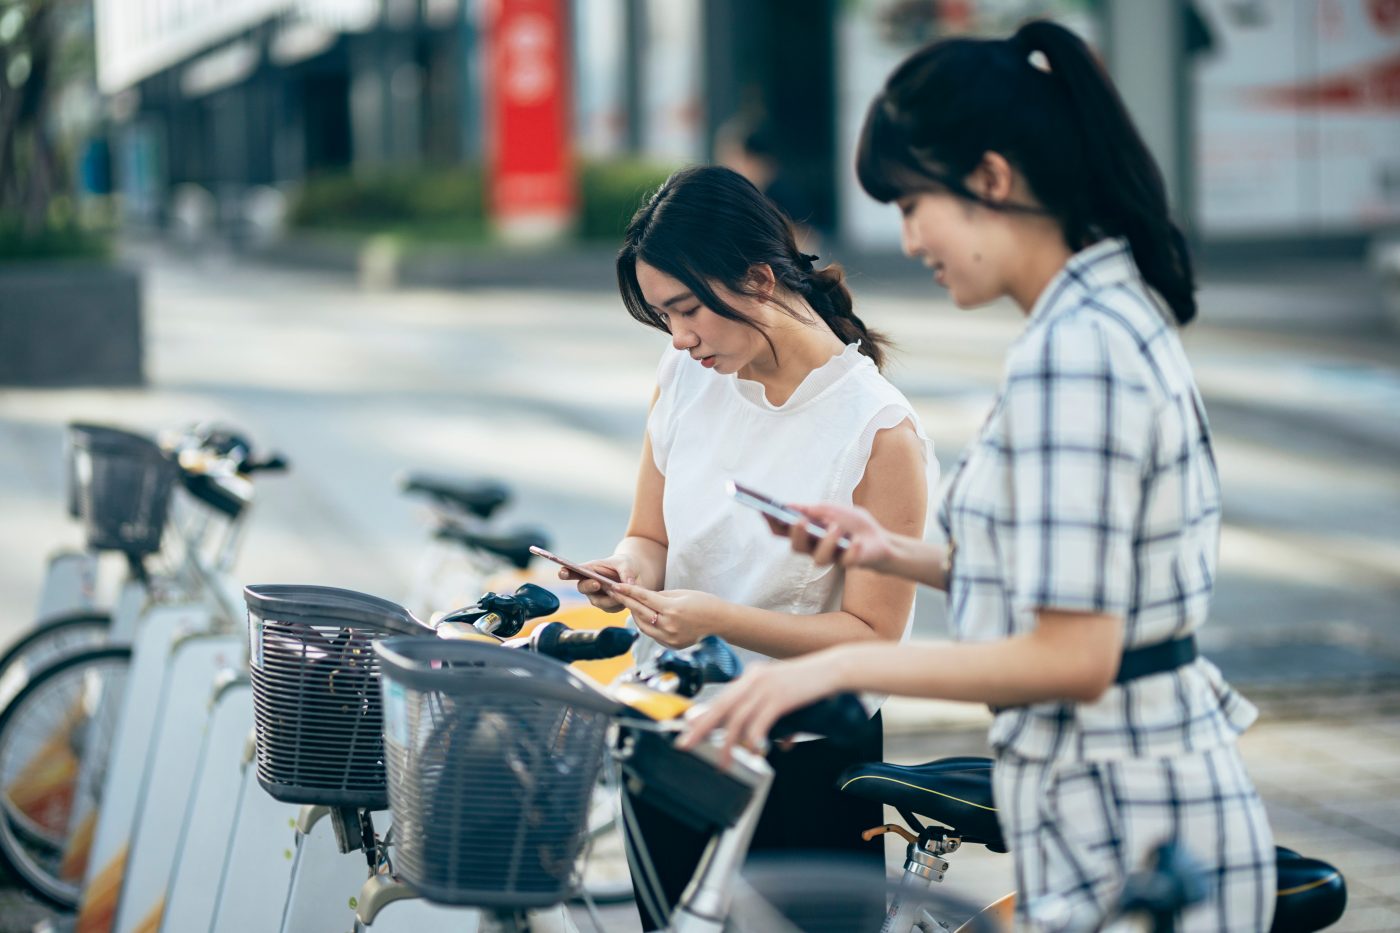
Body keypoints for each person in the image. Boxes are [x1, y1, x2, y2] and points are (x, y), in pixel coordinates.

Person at [682, 20, 1276, 933]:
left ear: (991, 180)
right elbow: (1082, 575)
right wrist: (894, 553)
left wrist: (830, 665)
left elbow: (1077, 654)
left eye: (914, 203)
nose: (908, 237)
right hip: (1115, 802)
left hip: (1133, 819)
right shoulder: (1090, 320)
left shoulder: (1077, 352)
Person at [563, 164, 933, 931]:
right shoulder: (685, 376)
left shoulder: (877, 430)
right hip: (670, 726)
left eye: (688, 308)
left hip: (801, 756)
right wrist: (625, 574)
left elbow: (872, 638)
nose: (679, 336)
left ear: (759, 279)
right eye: (663, 316)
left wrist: (714, 617)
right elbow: (650, 536)